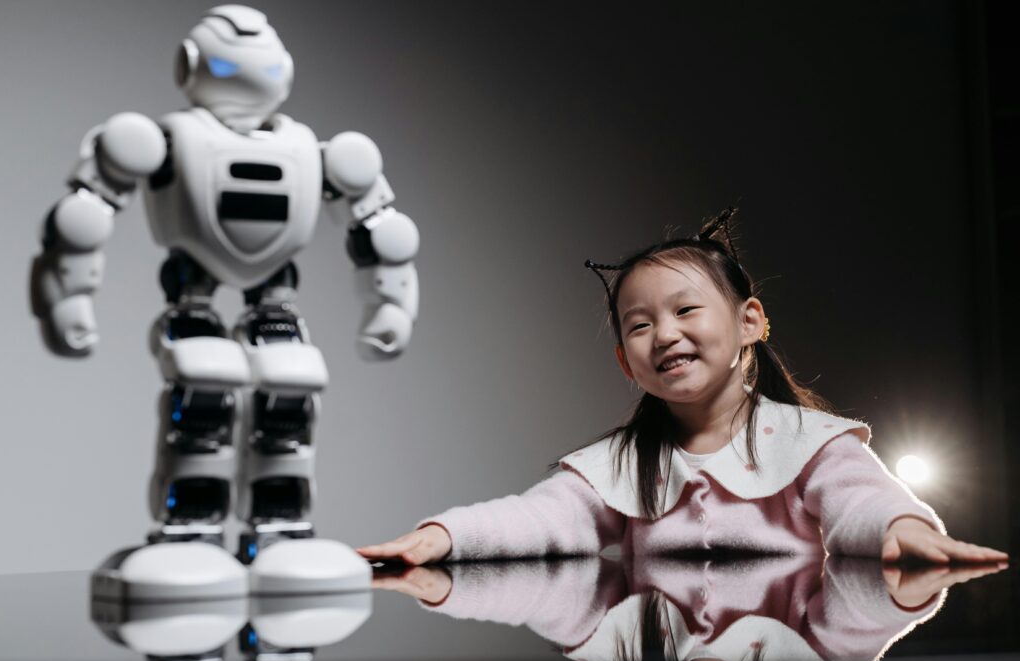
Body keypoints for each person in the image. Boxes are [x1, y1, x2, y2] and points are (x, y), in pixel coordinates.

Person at [358, 210, 1009, 567]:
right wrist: (444, 537)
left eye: (686, 310)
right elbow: (539, 519)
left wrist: (903, 527)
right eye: (640, 325)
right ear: (626, 361)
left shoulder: (810, 442)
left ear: (749, 322)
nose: (664, 334)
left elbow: (861, 499)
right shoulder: (619, 463)